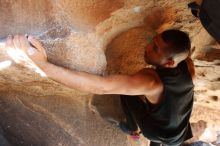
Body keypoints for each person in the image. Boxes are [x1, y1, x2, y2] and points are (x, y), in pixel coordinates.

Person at [5, 29, 195, 146]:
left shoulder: (151, 82)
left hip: (157, 130)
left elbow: (102, 87)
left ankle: (131, 129)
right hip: (180, 128)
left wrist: (44, 66)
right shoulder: (187, 65)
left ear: (170, 62)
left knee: (128, 97)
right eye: (153, 41)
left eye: (155, 48)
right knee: (164, 133)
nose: (147, 47)